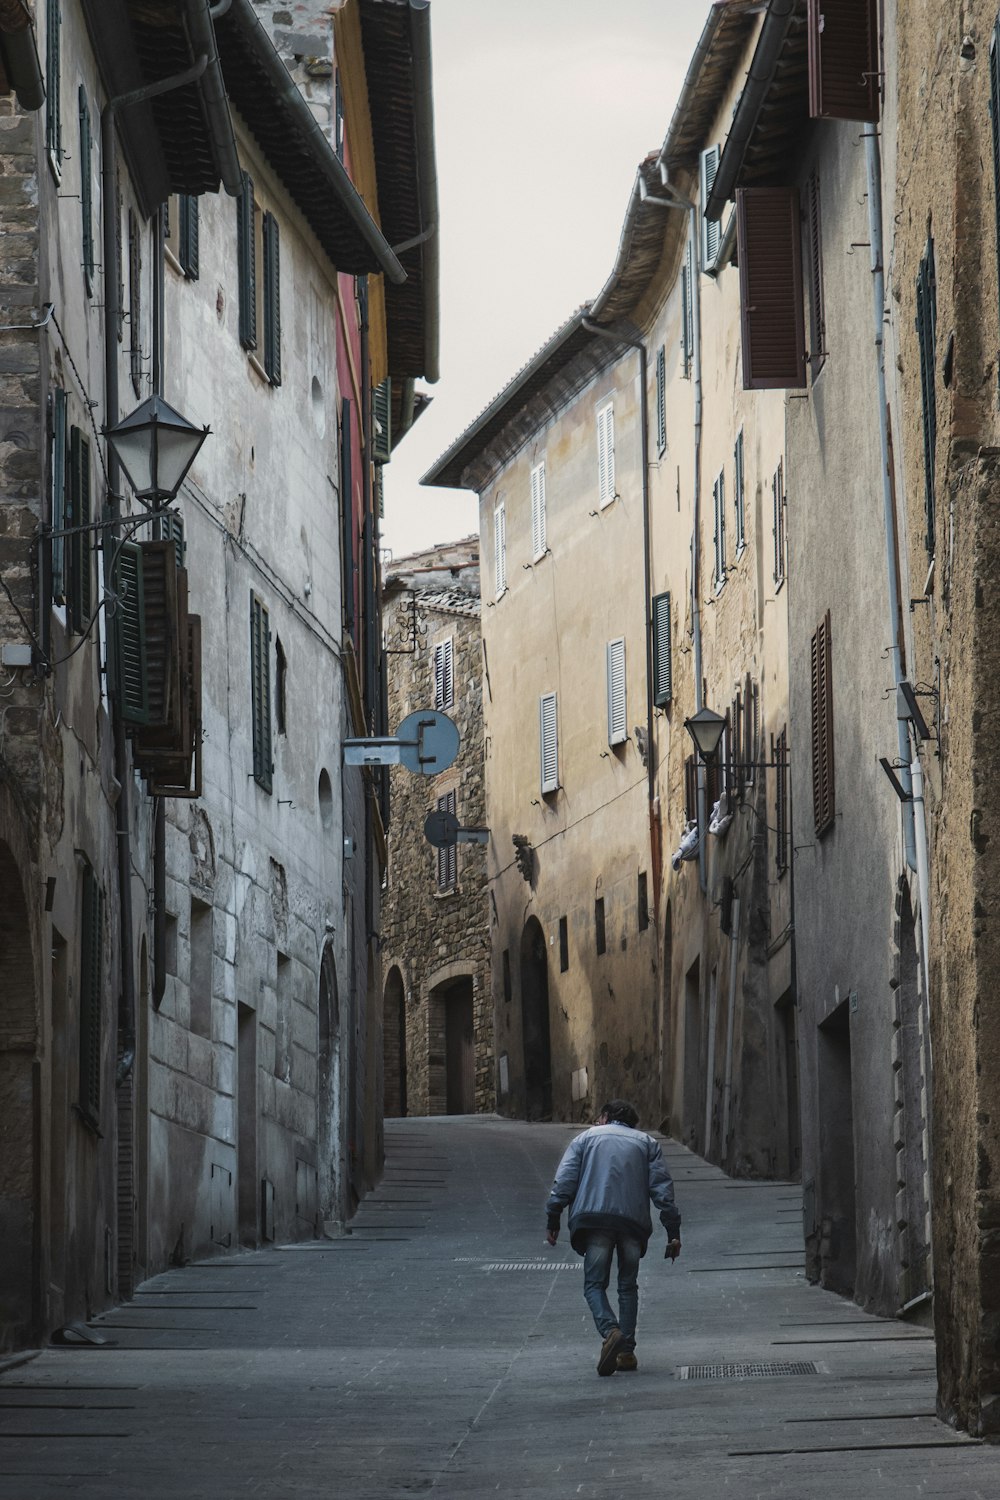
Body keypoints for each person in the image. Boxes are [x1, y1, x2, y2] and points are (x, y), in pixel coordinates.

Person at [545, 1099, 682, 1376]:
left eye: (599, 1117)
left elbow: (565, 1179)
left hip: (595, 1221)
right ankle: (627, 1352)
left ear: (605, 1117)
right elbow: (662, 1190)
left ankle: (610, 1331)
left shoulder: (585, 1139)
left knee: (594, 1284)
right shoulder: (647, 1143)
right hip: (633, 1223)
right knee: (628, 1286)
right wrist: (673, 1231)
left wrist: (553, 1214)